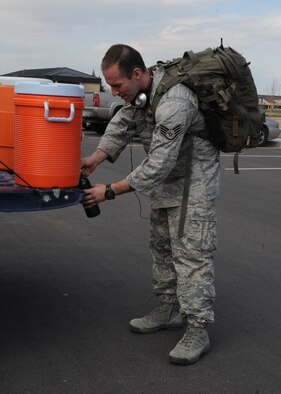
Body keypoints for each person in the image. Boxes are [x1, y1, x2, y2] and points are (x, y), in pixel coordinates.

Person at [80, 44, 220, 365]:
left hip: (191, 185)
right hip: (167, 182)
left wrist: (110, 190)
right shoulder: (142, 96)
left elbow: (158, 164)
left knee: (191, 254)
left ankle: (198, 328)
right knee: (161, 246)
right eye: (110, 86)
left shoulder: (175, 102)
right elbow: (121, 123)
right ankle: (169, 308)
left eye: (117, 85)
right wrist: (95, 159)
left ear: (138, 74)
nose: (115, 93)